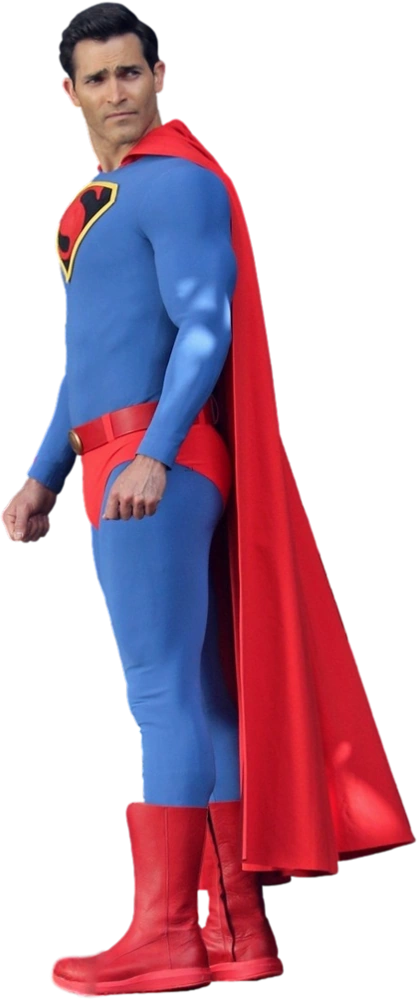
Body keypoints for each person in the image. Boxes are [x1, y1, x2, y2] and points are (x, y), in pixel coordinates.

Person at [1, 4, 285, 993]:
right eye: (98, 78)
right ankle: (236, 931)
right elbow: (88, 361)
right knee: (199, 699)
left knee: (161, 694)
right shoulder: (103, 196)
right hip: (120, 457)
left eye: (133, 73)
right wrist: (43, 474)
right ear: (67, 92)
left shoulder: (175, 183)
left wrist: (154, 453)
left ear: (161, 75)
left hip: (150, 466)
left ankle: (164, 935)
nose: (117, 93)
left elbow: (204, 324)